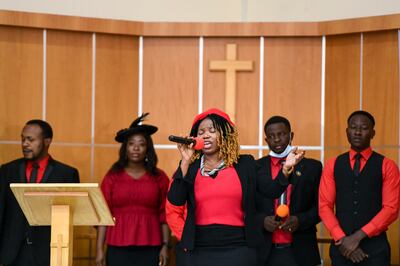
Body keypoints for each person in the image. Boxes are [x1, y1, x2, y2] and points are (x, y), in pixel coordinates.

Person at [167, 108, 304, 266]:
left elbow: (271, 190)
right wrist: (185, 161)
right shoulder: (190, 168)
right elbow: (175, 200)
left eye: (212, 130)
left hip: (239, 249)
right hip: (198, 250)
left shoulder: (245, 164)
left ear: (225, 135)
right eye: (201, 132)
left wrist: (286, 169)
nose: (205, 135)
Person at [319, 110, 400, 266]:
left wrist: (356, 238)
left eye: (363, 128)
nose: (357, 132)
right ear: (347, 131)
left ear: (373, 133)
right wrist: (343, 240)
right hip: (340, 247)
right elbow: (324, 206)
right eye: (353, 127)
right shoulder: (332, 164)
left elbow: (391, 209)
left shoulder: (387, 165)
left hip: (376, 249)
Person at [0, 119, 80, 266]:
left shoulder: (66, 174)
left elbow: (72, 217)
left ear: (47, 141)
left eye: (30, 139)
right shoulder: (7, 170)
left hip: (48, 252)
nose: (25, 144)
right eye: (23, 139)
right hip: (12, 253)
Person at [96, 113, 170, 266]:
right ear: (125, 147)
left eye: (141, 144)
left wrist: (166, 246)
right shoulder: (112, 176)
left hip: (151, 245)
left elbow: (165, 214)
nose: (136, 148)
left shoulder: (159, 177)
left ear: (147, 148)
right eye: (131, 143)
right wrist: (99, 250)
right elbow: (103, 215)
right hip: (117, 245)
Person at [256, 116, 322, 266]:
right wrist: (262, 221)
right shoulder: (255, 168)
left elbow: (321, 207)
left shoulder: (313, 167)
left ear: (291, 136)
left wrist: (300, 220)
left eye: (282, 134)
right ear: (266, 141)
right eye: (271, 136)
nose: (277, 139)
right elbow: (247, 208)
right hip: (264, 252)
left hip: (301, 251)